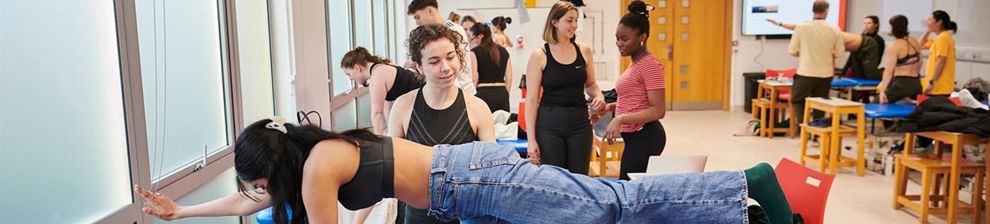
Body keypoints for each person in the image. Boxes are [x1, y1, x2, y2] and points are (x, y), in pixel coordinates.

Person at [134, 24, 796, 224]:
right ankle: (738, 208)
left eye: (256, 179)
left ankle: (749, 184)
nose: (254, 191)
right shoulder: (309, 157)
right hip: (465, 196)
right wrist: (181, 215)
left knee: (610, 204)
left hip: (477, 182)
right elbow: (250, 198)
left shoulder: (316, 169)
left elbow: (270, 201)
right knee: (605, 212)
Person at [388, 24, 496, 224]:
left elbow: (491, 170)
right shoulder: (403, 107)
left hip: (466, 213)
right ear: (419, 67)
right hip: (418, 213)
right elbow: (393, 167)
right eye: (434, 61)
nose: (446, 67)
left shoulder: (477, 108)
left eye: (450, 57)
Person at [524, 0, 606, 174]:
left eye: (576, 20)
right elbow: (531, 100)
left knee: (579, 178)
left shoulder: (584, 51)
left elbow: (590, 84)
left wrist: (599, 95)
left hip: (580, 124)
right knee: (555, 180)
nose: (574, 25)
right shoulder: (540, 55)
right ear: (555, 22)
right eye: (569, 21)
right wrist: (531, 140)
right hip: (550, 125)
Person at [591, 0, 667, 181]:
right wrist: (610, 109)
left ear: (642, 37)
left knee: (628, 189)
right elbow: (636, 100)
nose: (619, 43)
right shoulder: (636, 63)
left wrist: (620, 118)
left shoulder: (650, 65)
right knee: (629, 188)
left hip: (646, 136)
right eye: (617, 38)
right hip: (635, 136)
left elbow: (658, 110)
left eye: (624, 39)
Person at [784, 0, 844, 124]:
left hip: (806, 72)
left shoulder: (801, 27)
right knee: (820, 104)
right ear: (826, 11)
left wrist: (805, 53)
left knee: (797, 99)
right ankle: (817, 132)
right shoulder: (834, 28)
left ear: (813, 10)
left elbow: (792, 51)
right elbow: (839, 53)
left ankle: (802, 126)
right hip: (826, 74)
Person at [341, 47, 423, 135]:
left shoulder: (377, 77)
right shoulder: (381, 68)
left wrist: (378, 140)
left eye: (349, 74)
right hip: (421, 100)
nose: (350, 78)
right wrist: (390, 131)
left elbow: (377, 113)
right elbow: (388, 105)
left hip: (423, 102)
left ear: (357, 68)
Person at [408, 0, 476, 95]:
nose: (416, 22)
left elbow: (462, 67)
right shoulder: (425, 35)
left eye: (418, 17)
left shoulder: (455, 30)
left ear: (430, 11)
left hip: (461, 89)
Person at [468, 23, 513, 113]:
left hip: (483, 93)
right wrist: (505, 93)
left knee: (484, 125)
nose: (471, 42)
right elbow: (509, 77)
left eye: (472, 39)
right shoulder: (504, 51)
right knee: (503, 125)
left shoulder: (475, 52)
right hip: (501, 93)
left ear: (480, 36)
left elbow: (474, 78)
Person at [878, 15, 923, 104]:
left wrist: (882, 91)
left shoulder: (894, 47)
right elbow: (921, 62)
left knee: (876, 103)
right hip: (916, 83)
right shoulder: (915, 41)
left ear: (893, 28)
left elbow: (888, 71)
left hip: (901, 84)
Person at [921, 10, 958, 97]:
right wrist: (927, 31)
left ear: (939, 22)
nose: (927, 22)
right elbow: (920, 45)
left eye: (930, 19)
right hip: (939, 87)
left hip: (939, 88)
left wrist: (932, 82)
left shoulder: (943, 38)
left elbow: (941, 61)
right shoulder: (942, 38)